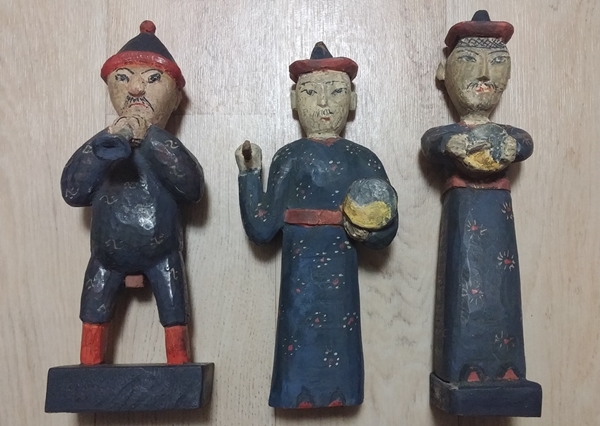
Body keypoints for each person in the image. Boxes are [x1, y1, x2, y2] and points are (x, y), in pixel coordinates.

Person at [235, 42, 398, 408]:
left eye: (336, 91)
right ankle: (295, 393)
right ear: (294, 101)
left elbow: (387, 219)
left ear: (353, 100)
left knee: (341, 329)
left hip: (341, 260)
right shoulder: (288, 157)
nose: (324, 103)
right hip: (300, 267)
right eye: (311, 92)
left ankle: (342, 392)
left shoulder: (363, 158)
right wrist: (249, 175)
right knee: (298, 326)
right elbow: (262, 228)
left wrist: (371, 230)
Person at [61, 21, 203, 366]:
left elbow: (191, 187)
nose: (136, 88)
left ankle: (178, 364)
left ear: (175, 97)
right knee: (94, 311)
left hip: (162, 254)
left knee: (173, 310)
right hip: (105, 257)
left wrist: (150, 138)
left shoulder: (163, 144)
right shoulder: (105, 142)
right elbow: (73, 190)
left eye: (152, 79)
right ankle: (88, 367)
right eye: (123, 78)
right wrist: (104, 146)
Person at [421, 11, 541, 416]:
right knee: (464, 284)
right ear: (444, 73)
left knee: (502, 291)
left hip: (497, 212)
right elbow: (434, 142)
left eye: (498, 61)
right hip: (464, 209)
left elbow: (522, 143)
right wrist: (453, 147)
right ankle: (464, 368)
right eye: (470, 60)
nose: (485, 73)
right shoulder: (449, 135)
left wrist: (510, 146)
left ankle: (506, 371)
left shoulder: (506, 135)